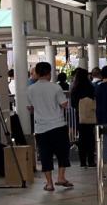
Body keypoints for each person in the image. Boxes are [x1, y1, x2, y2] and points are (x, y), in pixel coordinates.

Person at [28, 62, 72, 191]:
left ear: (36, 72)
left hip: (41, 128)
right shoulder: (55, 88)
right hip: (58, 125)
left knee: (45, 155)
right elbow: (64, 104)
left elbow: (30, 108)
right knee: (62, 153)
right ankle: (61, 177)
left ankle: (49, 183)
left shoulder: (30, 89)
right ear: (49, 73)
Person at [70, 67, 96, 167]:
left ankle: (82, 161)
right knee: (90, 137)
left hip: (79, 116)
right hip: (90, 115)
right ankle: (91, 160)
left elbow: (73, 104)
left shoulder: (75, 88)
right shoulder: (90, 87)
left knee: (82, 138)